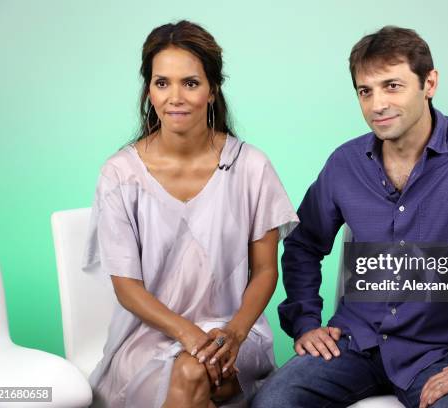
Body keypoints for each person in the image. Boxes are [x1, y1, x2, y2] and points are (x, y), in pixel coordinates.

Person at [252, 26, 448, 408]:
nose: (377, 104)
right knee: (272, 401)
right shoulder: (345, 164)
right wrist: (306, 323)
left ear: (429, 83)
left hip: (441, 352)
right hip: (354, 342)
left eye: (392, 86)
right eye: (365, 92)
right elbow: (302, 243)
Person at [82, 20, 298, 408]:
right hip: (146, 338)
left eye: (191, 83)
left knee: (194, 370)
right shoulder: (120, 174)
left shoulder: (250, 166)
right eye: (162, 83)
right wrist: (189, 336)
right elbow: (126, 287)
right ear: (149, 90)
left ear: (212, 90)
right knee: (192, 371)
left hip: (235, 336)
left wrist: (232, 334)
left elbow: (265, 271)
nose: (175, 97)